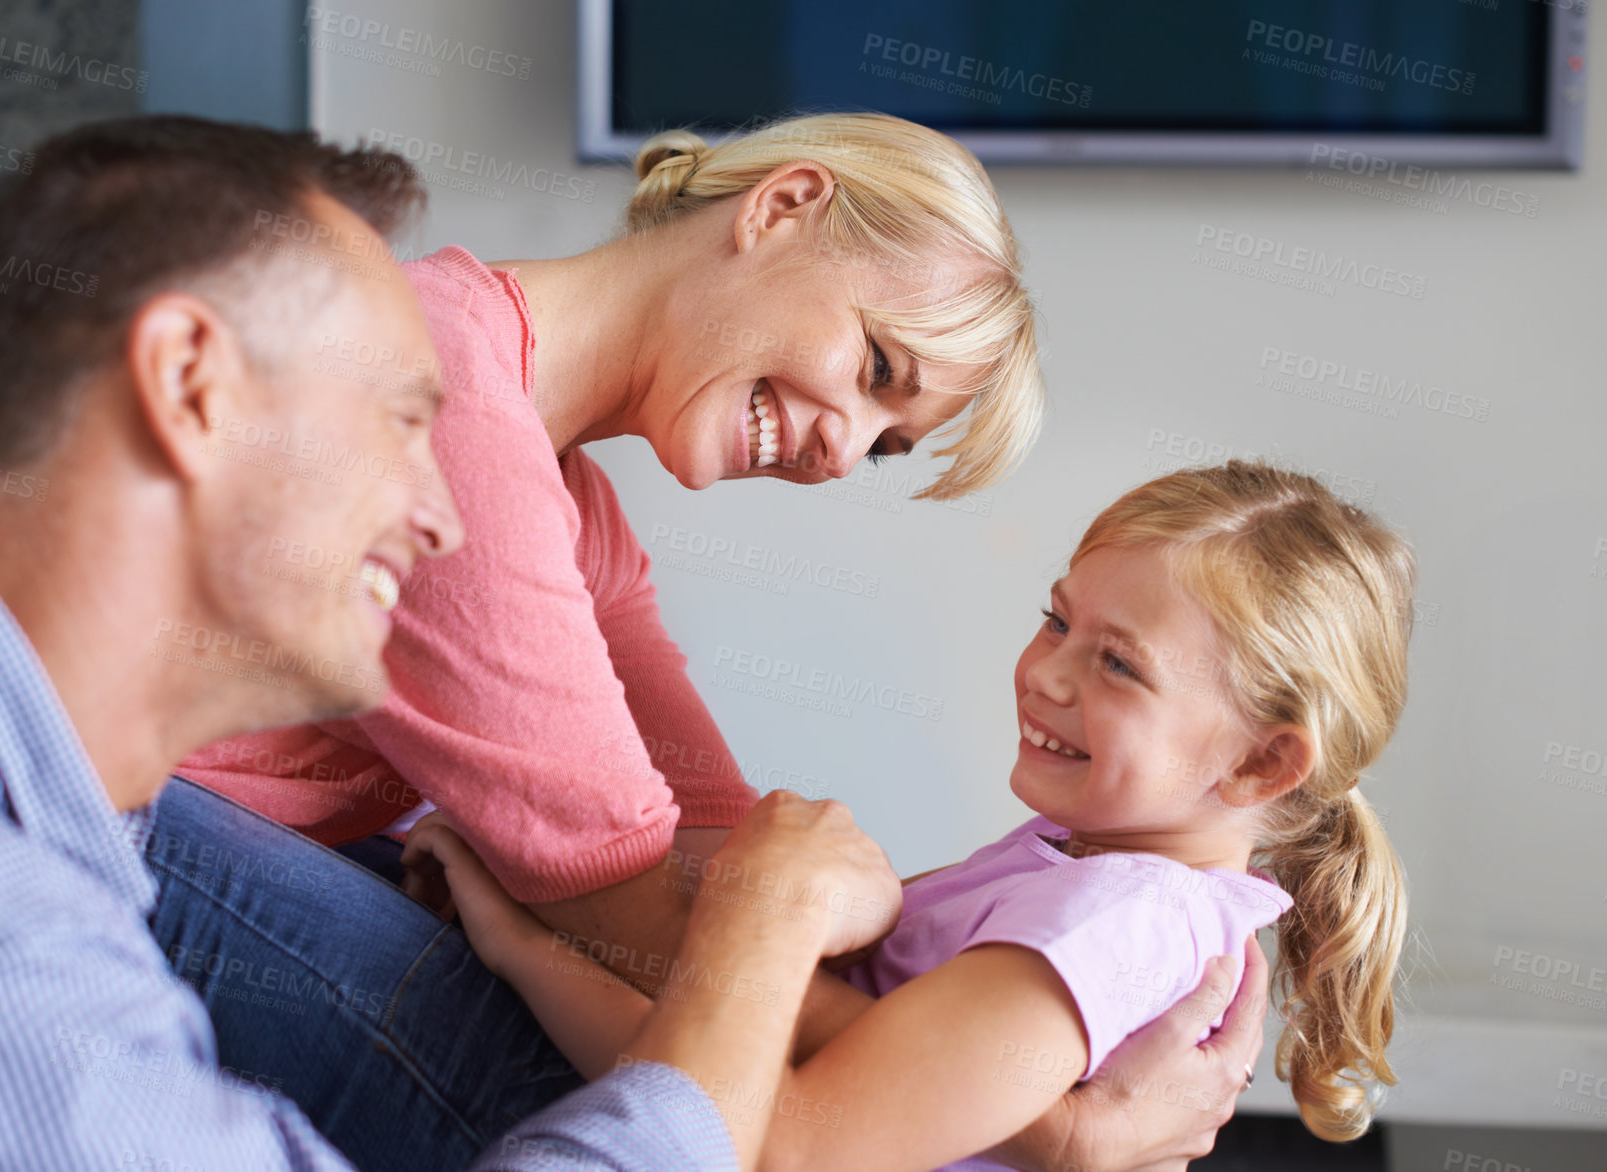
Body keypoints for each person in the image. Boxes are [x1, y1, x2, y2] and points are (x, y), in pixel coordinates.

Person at [162, 113, 1271, 1168]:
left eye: (885, 446)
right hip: (74, 819)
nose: (840, 455)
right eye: (876, 369)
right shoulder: (447, 401)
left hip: (195, 825)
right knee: (604, 1101)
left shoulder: (568, 504)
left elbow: (719, 841)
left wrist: (905, 975)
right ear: (782, 206)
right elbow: (648, 908)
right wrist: (1042, 1121)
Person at [0, 114, 901, 1172]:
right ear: (190, 382)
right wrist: (764, 931)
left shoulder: (32, 838)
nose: (439, 518)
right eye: (397, 419)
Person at [407, 459, 1413, 1170]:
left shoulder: (1117, 924)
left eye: (1116, 662)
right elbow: (729, 1069)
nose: (1045, 674)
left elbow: (763, 1139)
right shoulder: (1080, 873)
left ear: (1261, 760)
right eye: (1055, 619)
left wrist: (523, 943)